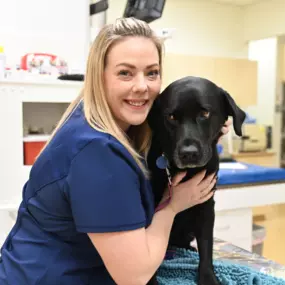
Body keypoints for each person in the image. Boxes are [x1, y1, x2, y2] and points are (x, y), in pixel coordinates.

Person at [0, 17, 231, 285]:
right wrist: (172, 205)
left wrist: (206, 127)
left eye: (152, 73)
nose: (142, 86)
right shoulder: (98, 154)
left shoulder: (91, 123)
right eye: (125, 73)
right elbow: (134, 277)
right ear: (100, 76)